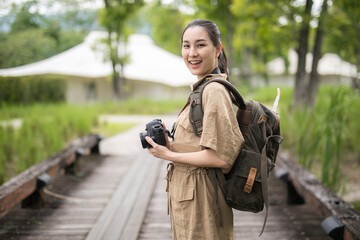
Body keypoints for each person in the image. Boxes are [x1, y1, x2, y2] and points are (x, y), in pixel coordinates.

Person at [145, 19, 244, 240]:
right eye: (186, 45)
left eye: (200, 45)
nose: (192, 53)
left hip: (203, 200)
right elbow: (200, 144)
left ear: (217, 49)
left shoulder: (214, 91)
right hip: (190, 199)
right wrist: (172, 145)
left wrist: (168, 155)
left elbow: (221, 157)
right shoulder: (202, 89)